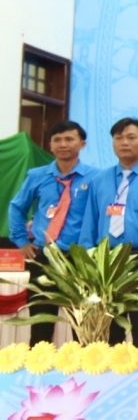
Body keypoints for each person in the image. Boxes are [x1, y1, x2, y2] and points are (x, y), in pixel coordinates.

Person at [79, 117, 138, 346]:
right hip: (106, 262)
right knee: (108, 329)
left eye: (131, 137)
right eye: (118, 138)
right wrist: (85, 264)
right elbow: (90, 222)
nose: (124, 142)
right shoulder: (99, 180)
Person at [9, 121, 97, 345]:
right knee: (41, 326)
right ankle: (40, 366)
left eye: (69, 139)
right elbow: (17, 208)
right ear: (50, 145)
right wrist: (21, 241)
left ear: (82, 144)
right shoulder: (37, 175)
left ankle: (84, 367)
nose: (63, 144)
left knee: (84, 327)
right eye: (57, 140)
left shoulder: (95, 178)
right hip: (44, 258)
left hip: (81, 260)